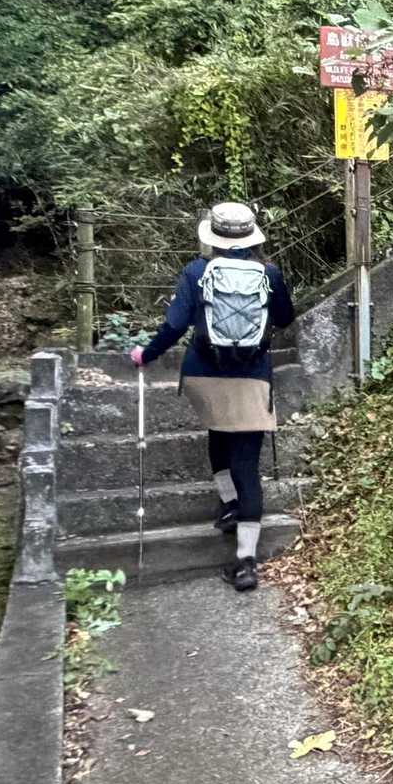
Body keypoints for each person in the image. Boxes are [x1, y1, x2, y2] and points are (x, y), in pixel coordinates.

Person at [130, 201, 295, 591]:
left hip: (204, 373)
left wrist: (146, 354)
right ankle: (246, 562)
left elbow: (175, 325)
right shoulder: (269, 273)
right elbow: (285, 317)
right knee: (246, 464)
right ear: (251, 237)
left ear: (214, 236)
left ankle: (229, 503)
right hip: (251, 376)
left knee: (218, 433)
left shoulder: (196, 271)